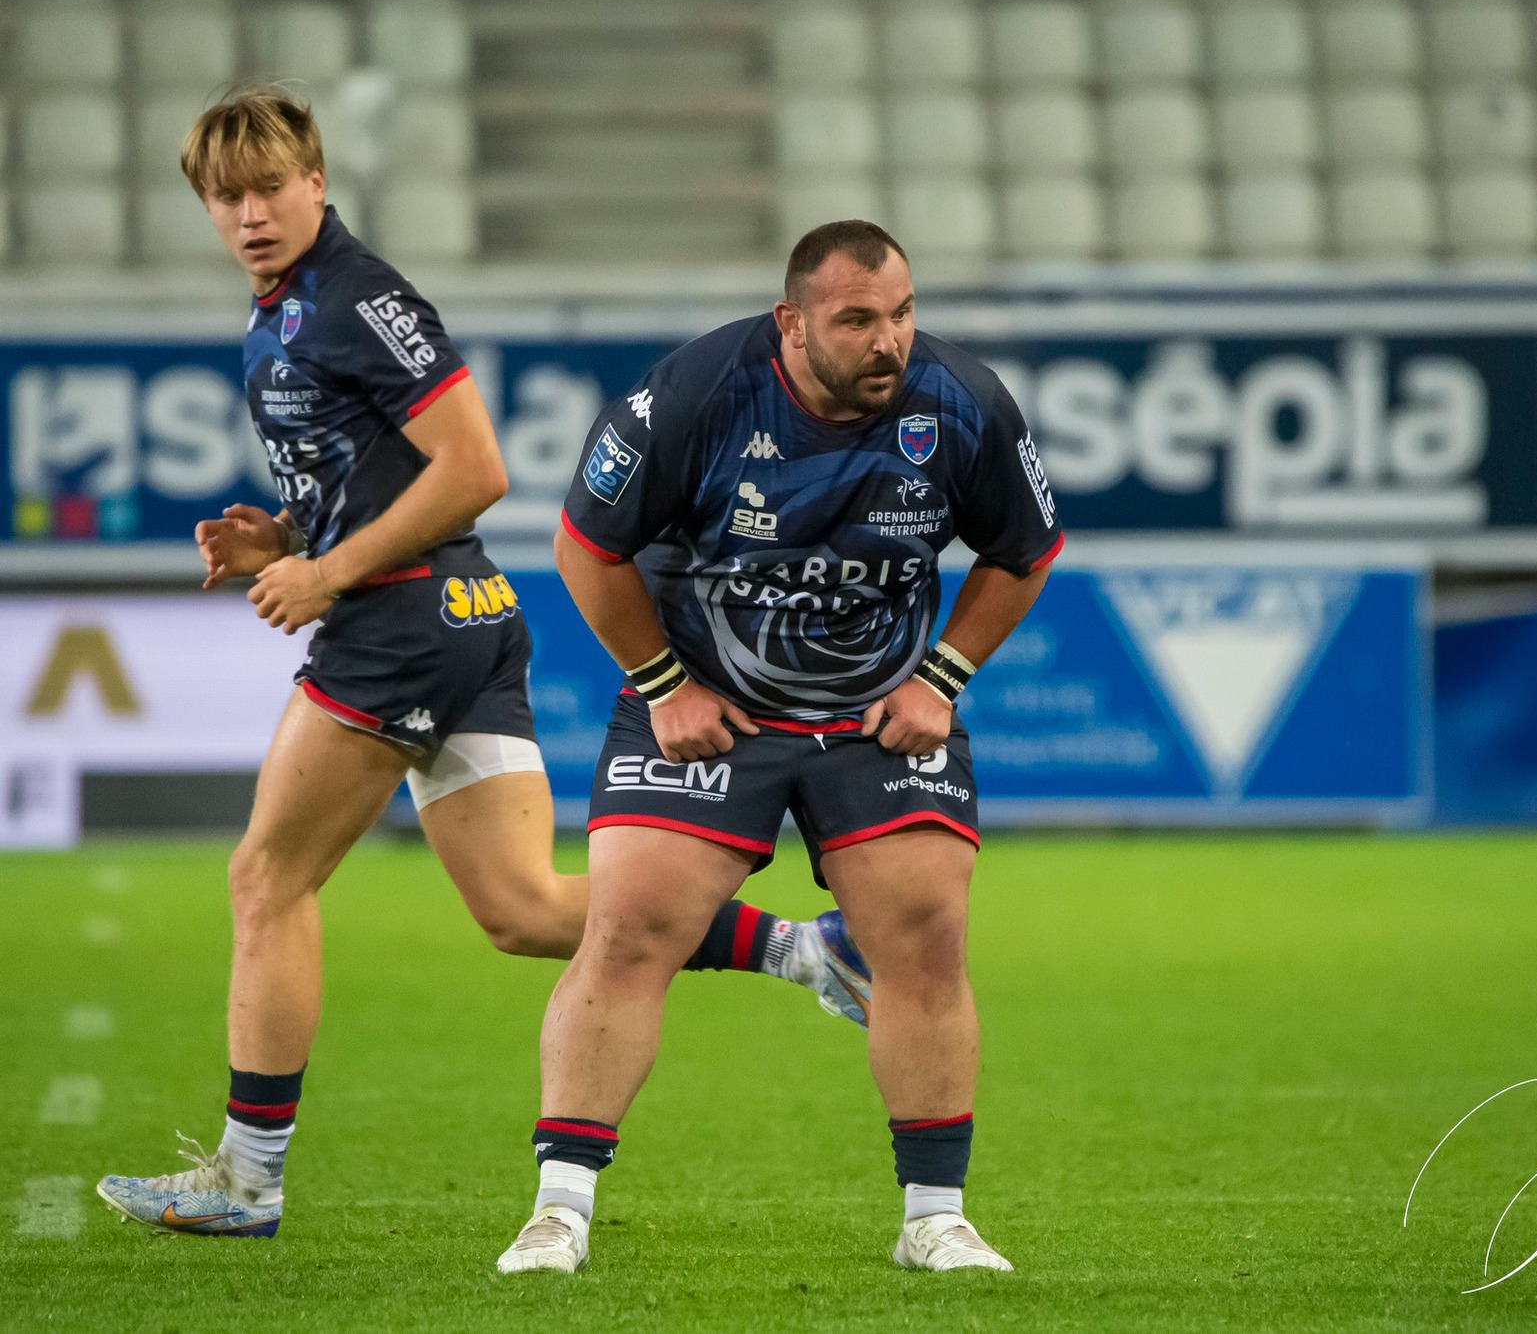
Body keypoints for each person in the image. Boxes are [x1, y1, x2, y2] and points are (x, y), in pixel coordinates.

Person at [96, 87, 868, 1241]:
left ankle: (249, 1177)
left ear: (317, 180)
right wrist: (289, 538)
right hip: (455, 613)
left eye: (270, 186)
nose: (251, 212)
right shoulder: (289, 310)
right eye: (226, 196)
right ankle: (807, 948)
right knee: (518, 908)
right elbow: (383, 477)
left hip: (404, 624)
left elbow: (473, 469)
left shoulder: (359, 298)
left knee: (266, 880)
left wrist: (323, 576)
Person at [493, 220, 1062, 1277]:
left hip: (876, 714)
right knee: (625, 929)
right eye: (856, 320)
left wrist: (942, 676)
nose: (887, 340)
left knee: (927, 938)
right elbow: (584, 545)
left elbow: (1023, 552)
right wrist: (665, 684)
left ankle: (933, 1218)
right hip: (713, 703)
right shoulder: (697, 393)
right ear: (791, 324)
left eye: (898, 314)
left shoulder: (962, 401)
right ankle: (557, 1211)